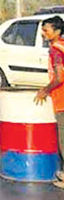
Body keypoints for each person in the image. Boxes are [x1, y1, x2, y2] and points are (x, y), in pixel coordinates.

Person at [35, 15, 64, 190]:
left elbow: (60, 76)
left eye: (46, 30)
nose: (43, 34)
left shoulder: (55, 50)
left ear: (57, 31)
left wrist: (45, 90)